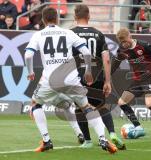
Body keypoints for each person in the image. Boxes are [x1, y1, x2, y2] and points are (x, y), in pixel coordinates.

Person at [24, 7, 101, 152]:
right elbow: (85, 52)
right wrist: (88, 71)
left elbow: (28, 55)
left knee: (35, 104)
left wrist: (30, 71)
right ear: (58, 18)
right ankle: (93, 136)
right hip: (70, 79)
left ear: (43, 20)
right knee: (74, 106)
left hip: (50, 80)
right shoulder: (68, 32)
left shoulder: (38, 35)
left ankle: (46, 140)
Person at [70, 4, 126, 151]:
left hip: (78, 75)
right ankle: (112, 133)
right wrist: (107, 81)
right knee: (101, 106)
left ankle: (87, 140)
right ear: (89, 16)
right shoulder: (99, 34)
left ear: (75, 17)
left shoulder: (69, 34)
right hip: (97, 75)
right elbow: (106, 59)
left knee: (80, 108)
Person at [111, 27, 151, 141]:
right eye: (121, 43)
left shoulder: (143, 45)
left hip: (150, 77)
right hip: (137, 80)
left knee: (150, 104)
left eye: (125, 41)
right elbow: (116, 64)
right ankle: (138, 127)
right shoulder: (121, 50)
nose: (124, 44)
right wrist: (107, 76)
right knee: (121, 102)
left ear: (129, 37)